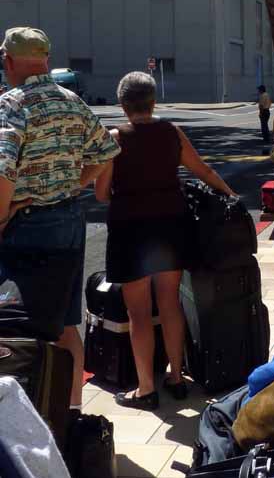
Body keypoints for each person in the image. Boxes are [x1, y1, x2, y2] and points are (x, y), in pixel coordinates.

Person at [94, 72, 236, 409]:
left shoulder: (115, 138)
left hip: (130, 230)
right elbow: (202, 170)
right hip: (171, 226)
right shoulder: (172, 132)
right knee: (170, 303)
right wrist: (229, 195)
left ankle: (145, 388)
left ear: (122, 104)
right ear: (153, 101)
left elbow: (101, 194)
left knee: (138, 312)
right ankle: (176, 375)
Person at [0, 27, 119, 410]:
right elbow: (106, 152)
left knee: (16, 324)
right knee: (66, 325)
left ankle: (29, 414)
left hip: (26, 225)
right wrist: (74, 184)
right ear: (46, 60)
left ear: (9, 61)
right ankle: (71, 413)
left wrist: (2, 217)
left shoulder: (12, 104)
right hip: (69, 220)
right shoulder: (70, 100)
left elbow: (4, 172)